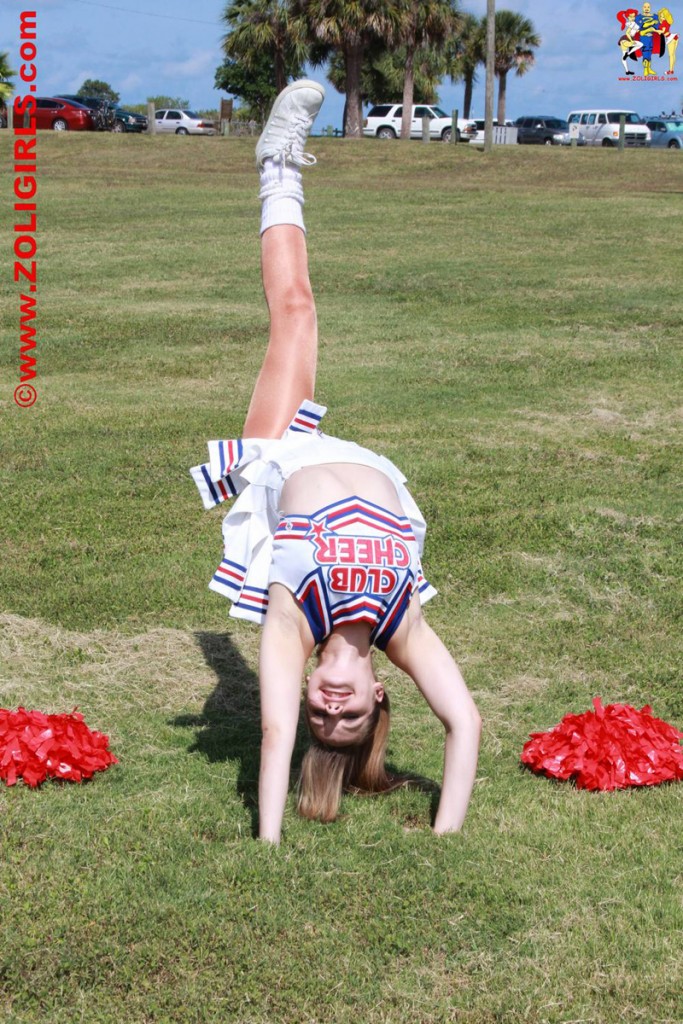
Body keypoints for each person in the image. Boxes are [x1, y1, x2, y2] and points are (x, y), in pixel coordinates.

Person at [191, 81, 481, 845]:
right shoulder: (400, 624)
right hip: (360, 459)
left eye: (325, 711)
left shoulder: (292, 625)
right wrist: (444, 838)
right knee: (302, 313)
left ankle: (277, 166)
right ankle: (278, 166)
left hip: (283, 455)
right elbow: (465, 724)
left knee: (295, 312)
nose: (331, 705)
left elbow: (274, 734)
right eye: (349, 714)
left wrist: (270, 839)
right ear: (379, 695)